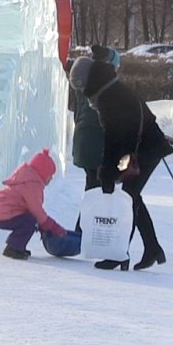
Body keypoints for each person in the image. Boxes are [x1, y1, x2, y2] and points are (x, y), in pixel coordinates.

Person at [69, 56, 173, 271]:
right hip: (145, 148)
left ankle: (119, 254)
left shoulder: (109, 96)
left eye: (81, 87)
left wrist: (107, 172)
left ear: (88, 81)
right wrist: (110, 169)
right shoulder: (110, 89)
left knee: (128, 199)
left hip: (146, 150)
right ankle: (151, 248)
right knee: (131, 197)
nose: (82, 93)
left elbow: (114, 137)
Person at [72, 45, 121, 231]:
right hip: (95, 146)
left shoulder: (84, 81)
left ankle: (86, 229)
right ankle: (85, 231)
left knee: (94, 186)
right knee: (96, 188)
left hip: (85, 143)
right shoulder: (100, 87)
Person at [0, 148, 67, 260]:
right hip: (3, 212)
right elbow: (37, 211)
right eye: (50, 175)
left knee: (29, 220)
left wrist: (42, 226)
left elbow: (31, 210)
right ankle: (13, 248)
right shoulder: (33, 184)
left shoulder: (28, 178)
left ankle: (17, 246)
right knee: (29, 222)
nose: (51, 178)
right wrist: (53, 227)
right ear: (42, 172)